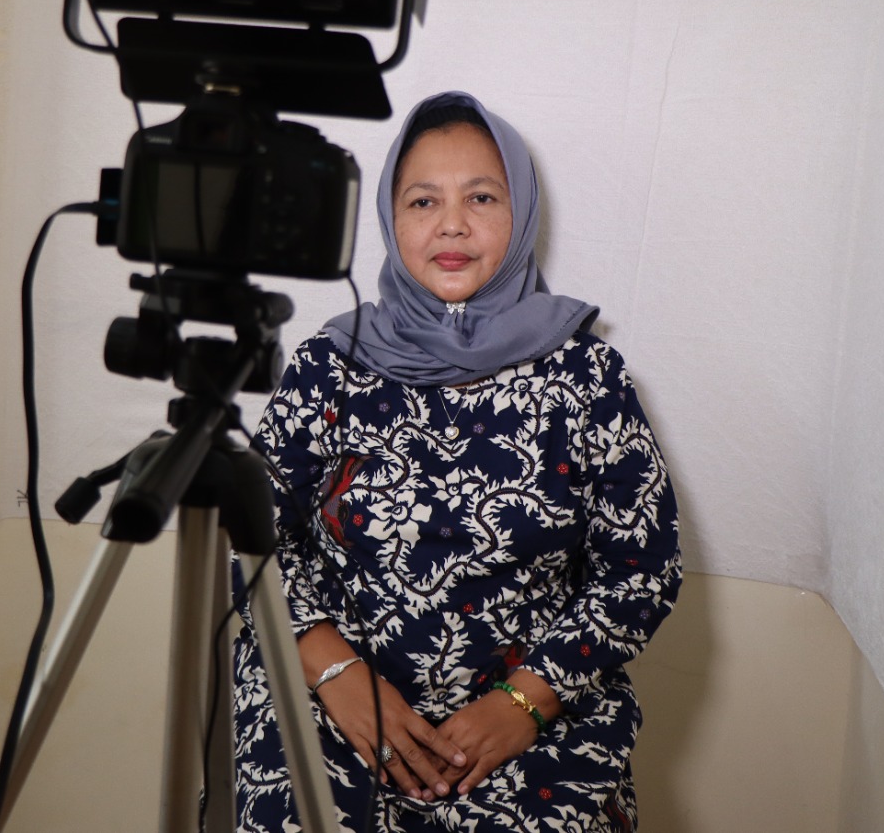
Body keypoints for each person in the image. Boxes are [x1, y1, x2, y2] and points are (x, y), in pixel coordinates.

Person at [232, 90, 682, 832]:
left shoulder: (586, 376)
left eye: (481, 197)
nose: (451, 224)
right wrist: (335, 674)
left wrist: (524, 704)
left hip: (535, 723)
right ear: (390, 219)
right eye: (422, 201)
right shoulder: (329, 366)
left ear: (521, 213)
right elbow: (250, 541)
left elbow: (642, 569)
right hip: (330, 707)